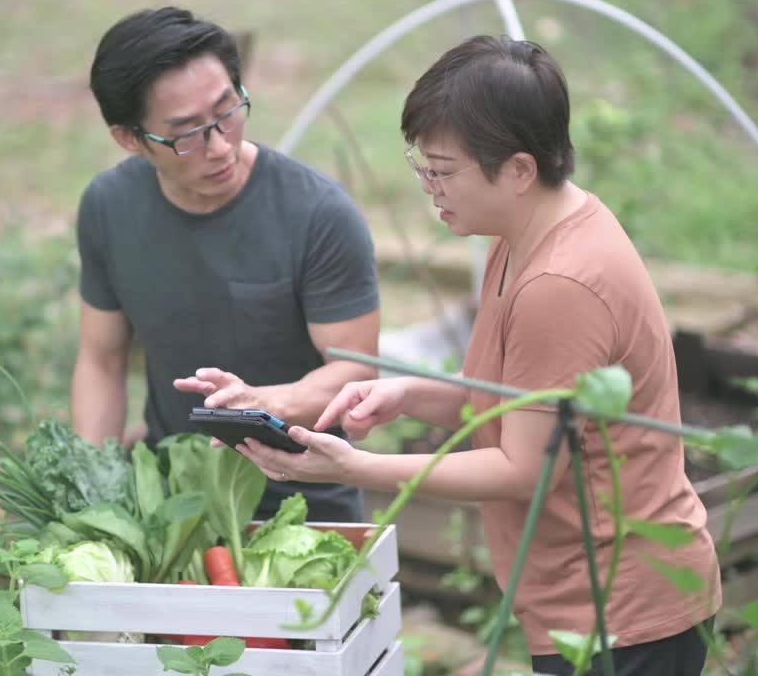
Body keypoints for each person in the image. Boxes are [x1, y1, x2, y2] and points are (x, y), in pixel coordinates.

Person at [232, 35, 722, 675]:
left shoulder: (560, 284)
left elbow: (521, 466)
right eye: (422, 165)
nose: (429, 187)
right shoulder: (522, 230)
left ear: (519, 169)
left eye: (442, 170)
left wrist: (357, 469)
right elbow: (531, 400)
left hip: (621, 610)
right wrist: (412, 394)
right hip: (582, 599)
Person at [70, 6, 382, 522]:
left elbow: (354, 370)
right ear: (130, 138)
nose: (219, 147)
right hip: (175, 508)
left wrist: (262, 403)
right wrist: (87, 486)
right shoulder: (108, 208)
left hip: (309, 503)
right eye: (187, 133)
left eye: (228, 111)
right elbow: (102, 360)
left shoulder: (318, 213)